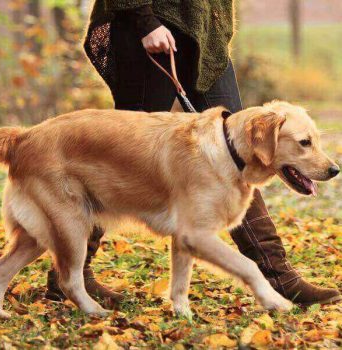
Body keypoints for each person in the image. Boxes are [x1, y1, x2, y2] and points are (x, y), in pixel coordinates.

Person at [46, 0, 340, 306]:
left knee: (248, 148)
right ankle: (67, 276)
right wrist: (145, 21)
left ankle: (279, 276)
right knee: (123, 158)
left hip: (206, 34)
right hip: (152, 25)